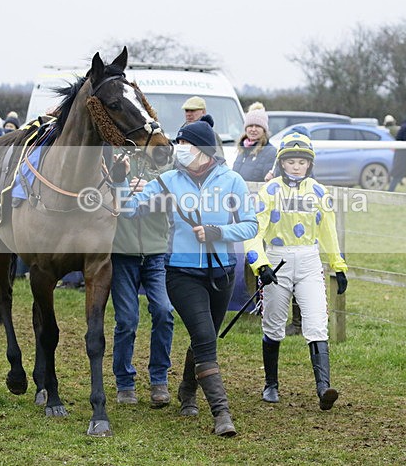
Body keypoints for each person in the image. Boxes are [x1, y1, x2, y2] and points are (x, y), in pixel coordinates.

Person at [113, 114, 257, 437]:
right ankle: (222, 414)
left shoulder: (231, 180)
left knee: (203, 336)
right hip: (181, 274)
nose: (179, 149)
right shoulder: (168, 181)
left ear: (204, 150)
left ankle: (188, 389)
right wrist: (121, 179)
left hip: (222, 274)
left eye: (185, 143)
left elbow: (250, 224)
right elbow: (128, 208)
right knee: (206, 339)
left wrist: (218, 231)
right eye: (178, 143)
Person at [244, 130, 348, 410]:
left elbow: (328, 232)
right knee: (274, 324)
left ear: (310, 164)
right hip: (277, 260)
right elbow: (254, 231)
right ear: (281, 163)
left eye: (302, 162)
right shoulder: (269, 191)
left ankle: (323, 388)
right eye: (291, 162)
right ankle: (271, 384)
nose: (297, 167)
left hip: (309, 259)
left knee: (316, 321)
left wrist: (338, 266)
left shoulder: (318, 192)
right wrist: (261, 264)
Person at [110, 152, 174, 408]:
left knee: (164, 311)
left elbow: (175, 200)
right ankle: (124, 382)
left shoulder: (165, 162)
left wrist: (148, 189)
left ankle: (159, 379)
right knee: (126, 320)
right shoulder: (114, 158)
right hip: (121, 255)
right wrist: (122, 180)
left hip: (155, 254)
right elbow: (112, 204)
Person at [232, 102, 277, 182]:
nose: (253, 129)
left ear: (264, 130)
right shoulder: (242, 150)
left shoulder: (270, 152)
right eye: (250, 126)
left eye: (258, 126)